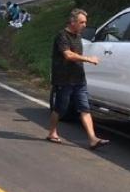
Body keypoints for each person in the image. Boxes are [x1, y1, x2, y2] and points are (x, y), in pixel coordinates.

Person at [47, 8, 110, 150]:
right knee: (60, 109)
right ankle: (52, 132)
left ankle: (93, 139)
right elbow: (68, 55)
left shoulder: (79, 37)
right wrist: (88, 59)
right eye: (82, 22)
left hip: (79, 79)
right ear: (72, 22)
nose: (84, 25)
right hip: (64, 79)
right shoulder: (62, 36)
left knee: (84, 108)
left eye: (85, 22)